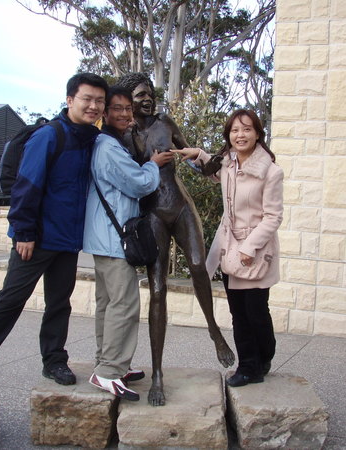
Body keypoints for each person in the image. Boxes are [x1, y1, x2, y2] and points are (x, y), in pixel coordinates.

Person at [0, 73, 109, 395]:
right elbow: (26, 187)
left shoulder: (90, 139)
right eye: (87, 99)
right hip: (34, 240)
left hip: (67, 240)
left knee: (59, 303)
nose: (93, 106)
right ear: (70, 100)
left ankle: (54, 361)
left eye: (99, 101)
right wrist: (24, 232)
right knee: (9, 302)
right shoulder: (50, 136)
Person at [116, 73, 234, 406]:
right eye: (140, 95)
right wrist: (147, 161)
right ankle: (157, 375)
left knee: (198, 266)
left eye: (150, 93)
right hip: (152, 212)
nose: (147, 98)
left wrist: (208, 164)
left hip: (180, 205)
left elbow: (189, 154)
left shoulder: (165, 122)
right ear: (129, 99)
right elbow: (126, 176)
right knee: (157, 290)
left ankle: (213, 330)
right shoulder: (124, 135)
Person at [172, 109, 284, 387]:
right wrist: (198, 153)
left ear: (258, 133)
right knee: (238, 312)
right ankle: (249, 367)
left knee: (256, 312)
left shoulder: (271, 172)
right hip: (229, 246)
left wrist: (249, 248)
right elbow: (213, 168)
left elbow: (273, 217)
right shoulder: (228, 165)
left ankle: (263, 355)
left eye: (246, 129)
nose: (240, 135)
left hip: (255, 251)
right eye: (235, 130)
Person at [83, 87, 174, 401]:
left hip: (103, 237)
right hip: (114, 238)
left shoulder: (103, 143)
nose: (124, 114)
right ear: (105, 113)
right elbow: (138, 184)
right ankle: (109, 372)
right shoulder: (108, 147)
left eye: (127, 109)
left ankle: (108, 363)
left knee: (107, 304)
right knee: (124, 305)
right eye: (117, 108)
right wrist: (154, 163)